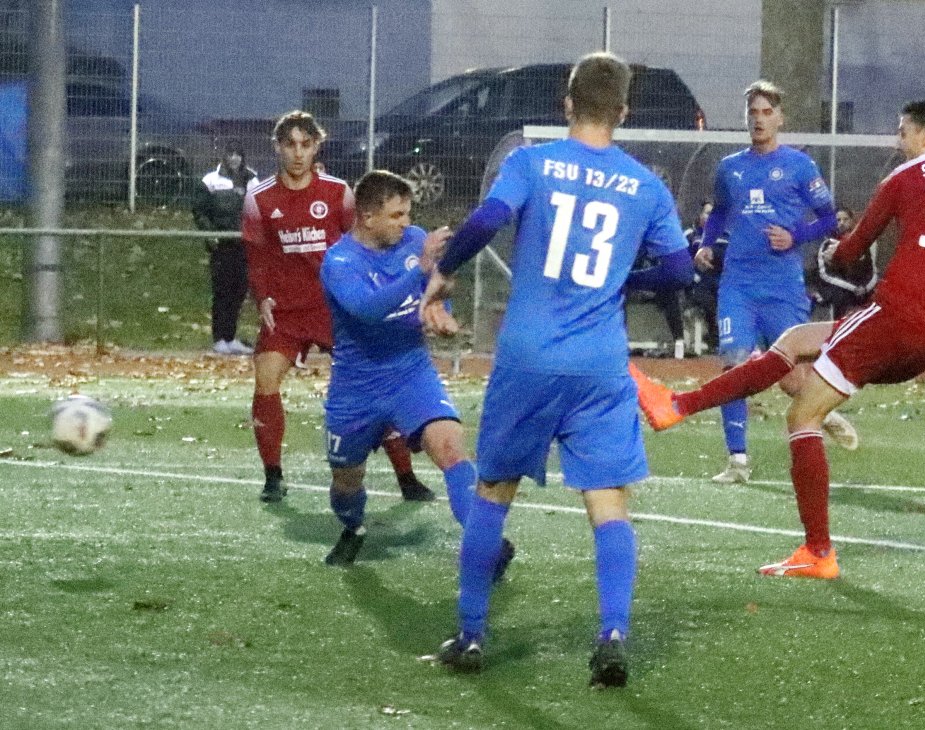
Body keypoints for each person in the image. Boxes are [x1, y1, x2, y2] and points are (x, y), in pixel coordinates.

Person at [632, 99, 925, 579]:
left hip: (892, 319)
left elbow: (855, 247)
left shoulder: (904, 179)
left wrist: (832, 251)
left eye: (903, 131)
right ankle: (679, 407)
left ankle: (813, 546)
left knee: (802, 415)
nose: (899, 141)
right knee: (793, 342)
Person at [421, 51, 693, 687]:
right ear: (624, 112)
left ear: (566, 104)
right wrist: (629, 279)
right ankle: (614, 633)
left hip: (529, 357)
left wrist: (443, 271)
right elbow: (681, 271)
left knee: (494, 493)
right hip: (599, 364)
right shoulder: (645, 185)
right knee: (608, 503)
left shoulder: (531, 162)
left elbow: (488, 220)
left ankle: (470, 634)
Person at [318, 170, 511, 570]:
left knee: (452, 451)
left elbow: (440, 284)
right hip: (357, 388)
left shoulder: (413, 240)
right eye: (396, 215)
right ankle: (353, 528)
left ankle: (485, 548)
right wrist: (418, 271)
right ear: (367, 217)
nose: (406, 223)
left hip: (411, 373)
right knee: (346, 482)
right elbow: (367, 309)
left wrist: (440, 311)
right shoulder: (339, 261)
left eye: (408, 213)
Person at [241, 110, 430, 504]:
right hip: (289, 311)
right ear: (278, 147)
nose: (297, 153)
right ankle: (273, 476)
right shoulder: (258, 198)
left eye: (305, 144)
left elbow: (364, 241)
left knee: (376, 380)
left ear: (316, 147)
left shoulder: (337, 192)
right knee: (266, 376)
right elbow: (256, 256)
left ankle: (407, 478)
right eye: (289, 144)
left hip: (335, 307)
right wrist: (263, 297)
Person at [694, 80, 856, 485]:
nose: (759, 120)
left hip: (782, 286)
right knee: (734, 362)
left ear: (780, 118)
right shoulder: (730, 167)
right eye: (753, 113)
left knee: (790, 379)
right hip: (738, 283)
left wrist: (795, 236)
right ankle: (737, 461)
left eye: (767, 113)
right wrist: (707, 244)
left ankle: (825, 411)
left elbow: (827, 217)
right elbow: (718, 212)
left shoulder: (800, 166)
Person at [191, 144, 258, 356]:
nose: (235, 158)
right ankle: (219, 338)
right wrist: (211, 235)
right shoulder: (210, 181)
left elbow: (258, 210)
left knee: (239, 290)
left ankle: (230, 337)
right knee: (222, 291)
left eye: (238, 154)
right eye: (231, 154)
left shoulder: (252, 179)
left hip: (244, 245)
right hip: (222, 245)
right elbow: (200, 212)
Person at [811, 206, 877, 320]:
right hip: (841, 291)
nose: (842, 223)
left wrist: (865, 288)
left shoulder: (862, 245)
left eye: (845, 219)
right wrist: (853, 288)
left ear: (852, 221)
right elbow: (826, 275)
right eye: (838, 220)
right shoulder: (828, 245)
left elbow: (872, 271)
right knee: (840, 297)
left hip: (862, 289)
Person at [685, 200, 721, 353]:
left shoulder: (726, 234)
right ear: (700, 215)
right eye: (707, 213)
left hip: (720, 279)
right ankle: (714, 339)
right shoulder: (690, 234)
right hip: (697, 280)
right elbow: (682, 258)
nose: (710, 217)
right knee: (706, 300)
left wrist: (715, 254)